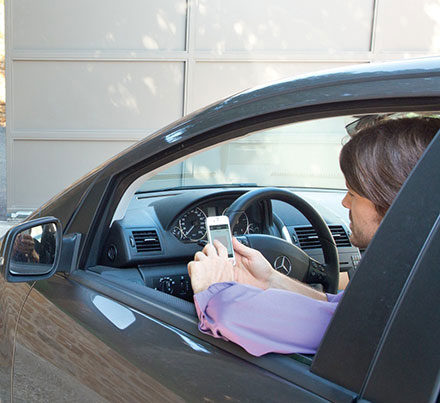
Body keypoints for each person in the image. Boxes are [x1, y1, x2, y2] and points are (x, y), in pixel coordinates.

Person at [187, 116, 440, 357]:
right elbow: (338, 309)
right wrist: (270, 280)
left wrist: (213, 287)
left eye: (353, 194)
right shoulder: (420, 274)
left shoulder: (407, 303)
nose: (344, 202)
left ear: (392, 200)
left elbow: (229, 315)